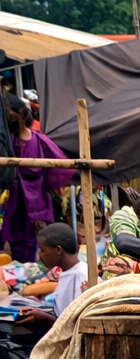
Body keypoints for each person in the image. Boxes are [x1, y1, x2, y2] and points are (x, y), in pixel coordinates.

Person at [0, 93, 72, 263]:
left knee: (36, 253)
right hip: (15, 208)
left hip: (34, 211)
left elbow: (61, 169)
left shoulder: (39, 141)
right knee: (17, 249)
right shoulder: (7, 143)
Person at [14, 223, 86, 332]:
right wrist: (39, 313)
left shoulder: (81, 276)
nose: (39, 256)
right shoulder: (66, 273)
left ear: (58, 250)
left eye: (42, 250)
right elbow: (62, 315)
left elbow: (76, 326)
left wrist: (45, 318)